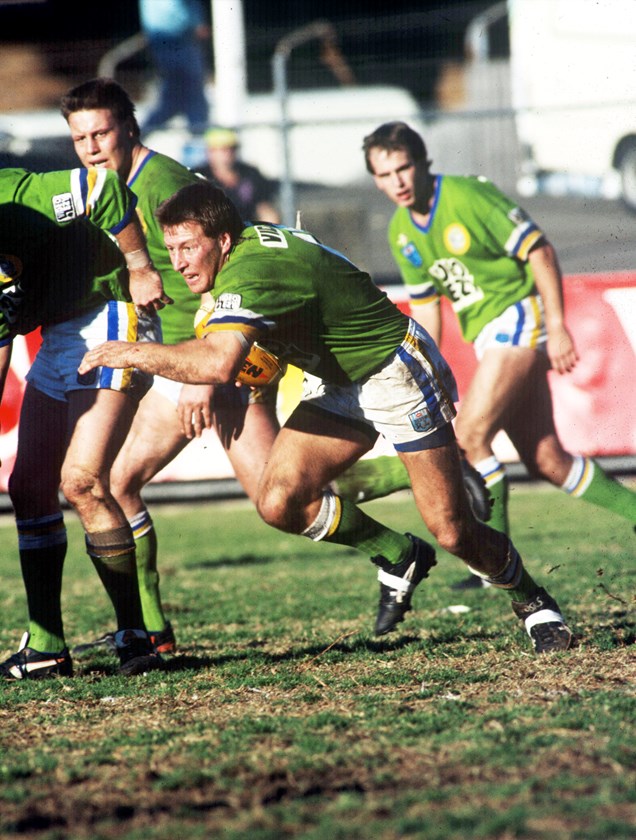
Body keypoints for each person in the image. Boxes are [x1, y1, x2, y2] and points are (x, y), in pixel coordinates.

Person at [79, 180, 574, 655]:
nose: (178, 263)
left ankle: (534, 602)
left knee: (452, 529)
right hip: (337, 378)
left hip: (391, 369)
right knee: (279, 501)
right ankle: (399, 554)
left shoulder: (252, 273)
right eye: (171, 249)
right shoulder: (244, 250)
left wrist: (133, 352)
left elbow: (219, 362)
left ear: (223, 239)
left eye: (188, 247)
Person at [362, 121, 636, 588]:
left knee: (470, 435)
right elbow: (428, 311)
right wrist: (421, 368)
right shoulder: (402, 231)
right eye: (385, 175)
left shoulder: (468, 197)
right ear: (375, 179)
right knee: (547, 459)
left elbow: (539, 250)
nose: (398, 182)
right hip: (488, 334)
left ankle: (492, 563)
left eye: (404, 168)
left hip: (519, 317)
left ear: (423, 162)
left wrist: (555, 323)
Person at [60, 78, 281, 655]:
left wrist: (205, 374)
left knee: (281, 498)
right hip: (182, 359)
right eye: (80, 137)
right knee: (117, 482)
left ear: (129, 127)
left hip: (222, 354)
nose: (91, 146)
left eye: (101, 131)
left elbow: (229, 269)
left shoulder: (163, 184)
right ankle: (152, 630)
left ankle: (403, 541)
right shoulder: (101, 188)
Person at [0, 166, 171, 680]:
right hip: (57, 336)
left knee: (83, 481)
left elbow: (103, 188)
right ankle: (48, 646)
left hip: (110, 313)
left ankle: (135, 635)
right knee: (28, 486)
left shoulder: (18, 195)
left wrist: (139, 265)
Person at [138, 0, 210, 135]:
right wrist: (196, 23)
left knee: (177, 96)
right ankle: (199, 137)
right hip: (175, 38)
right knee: (190, 94)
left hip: (168, 39)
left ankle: (138, 137)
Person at [196, 127, 280, 223]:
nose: (228, 154)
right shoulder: (199, 176)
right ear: (210, 152)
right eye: (223, 150)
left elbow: (265, 208)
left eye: (232, 149)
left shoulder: (250, 173)